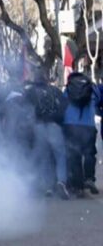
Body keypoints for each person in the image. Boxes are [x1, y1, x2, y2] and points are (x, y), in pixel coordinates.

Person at [24, 71, 69, 199]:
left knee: (44, 156)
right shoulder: (55, 90)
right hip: (54, 125)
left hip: (39, 126)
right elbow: (64, 106)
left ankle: (48, 186)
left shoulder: (30, 92)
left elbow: (25, 109)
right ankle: (61, 181)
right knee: (60, 155)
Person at [63, 72, 100, 197]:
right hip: (88, 124)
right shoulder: (92, 88)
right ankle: (89, 179)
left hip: (70, 124)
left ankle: (77, 187)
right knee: (89, 152)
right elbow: (99, 101)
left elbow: (63, 104)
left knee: (74, 155)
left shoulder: (68, 89)